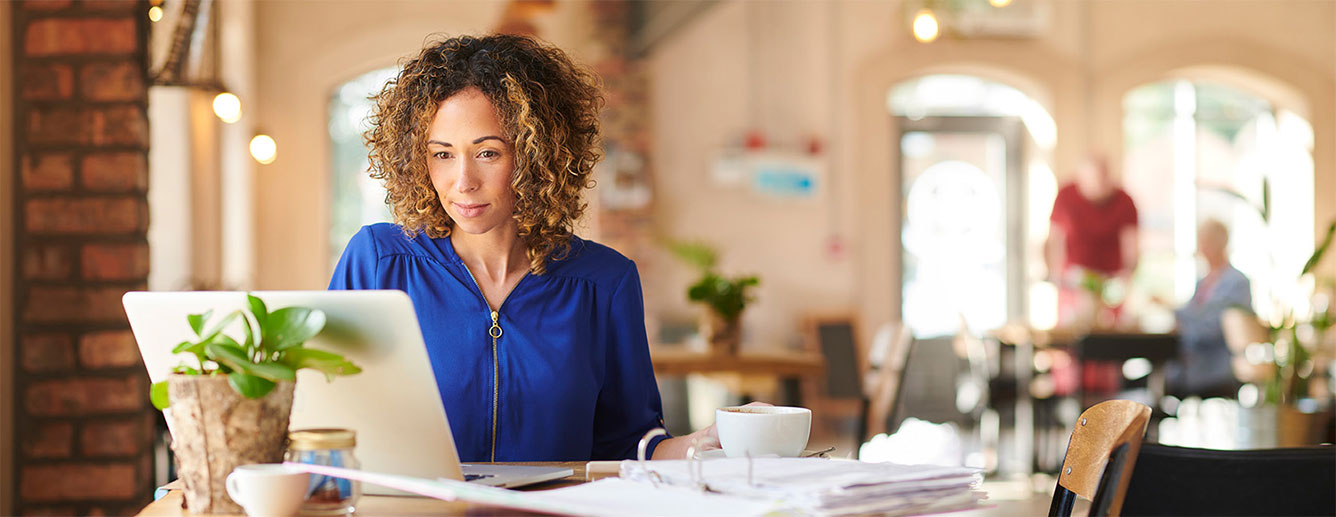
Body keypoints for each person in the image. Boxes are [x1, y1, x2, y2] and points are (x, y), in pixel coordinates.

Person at [329, 34, 711, 461]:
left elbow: (629, 444)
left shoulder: (605, 282)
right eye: (442, 155)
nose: (463, 181)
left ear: (537, 154)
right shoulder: (379, 263)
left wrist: (708, 443)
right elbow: (325, 422)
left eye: (488, 153)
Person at [1046, 154, 1140, 325]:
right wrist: (1055, 272)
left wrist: (1126, 277)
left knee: (1109, 332)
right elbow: (1054, 240)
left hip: (1109, 285)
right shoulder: (1066, 196)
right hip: (1073, 283)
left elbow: (1131, 247)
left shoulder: (1124, 201)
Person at [1166, 219, 1251, 397]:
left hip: (1216, 367)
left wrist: (1176, 313)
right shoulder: (1202, 282)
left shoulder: (1236, 282)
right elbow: (1189, 317)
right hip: (1187, 366)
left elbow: (1212, 328)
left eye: (1206, 242)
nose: (1202, 248)